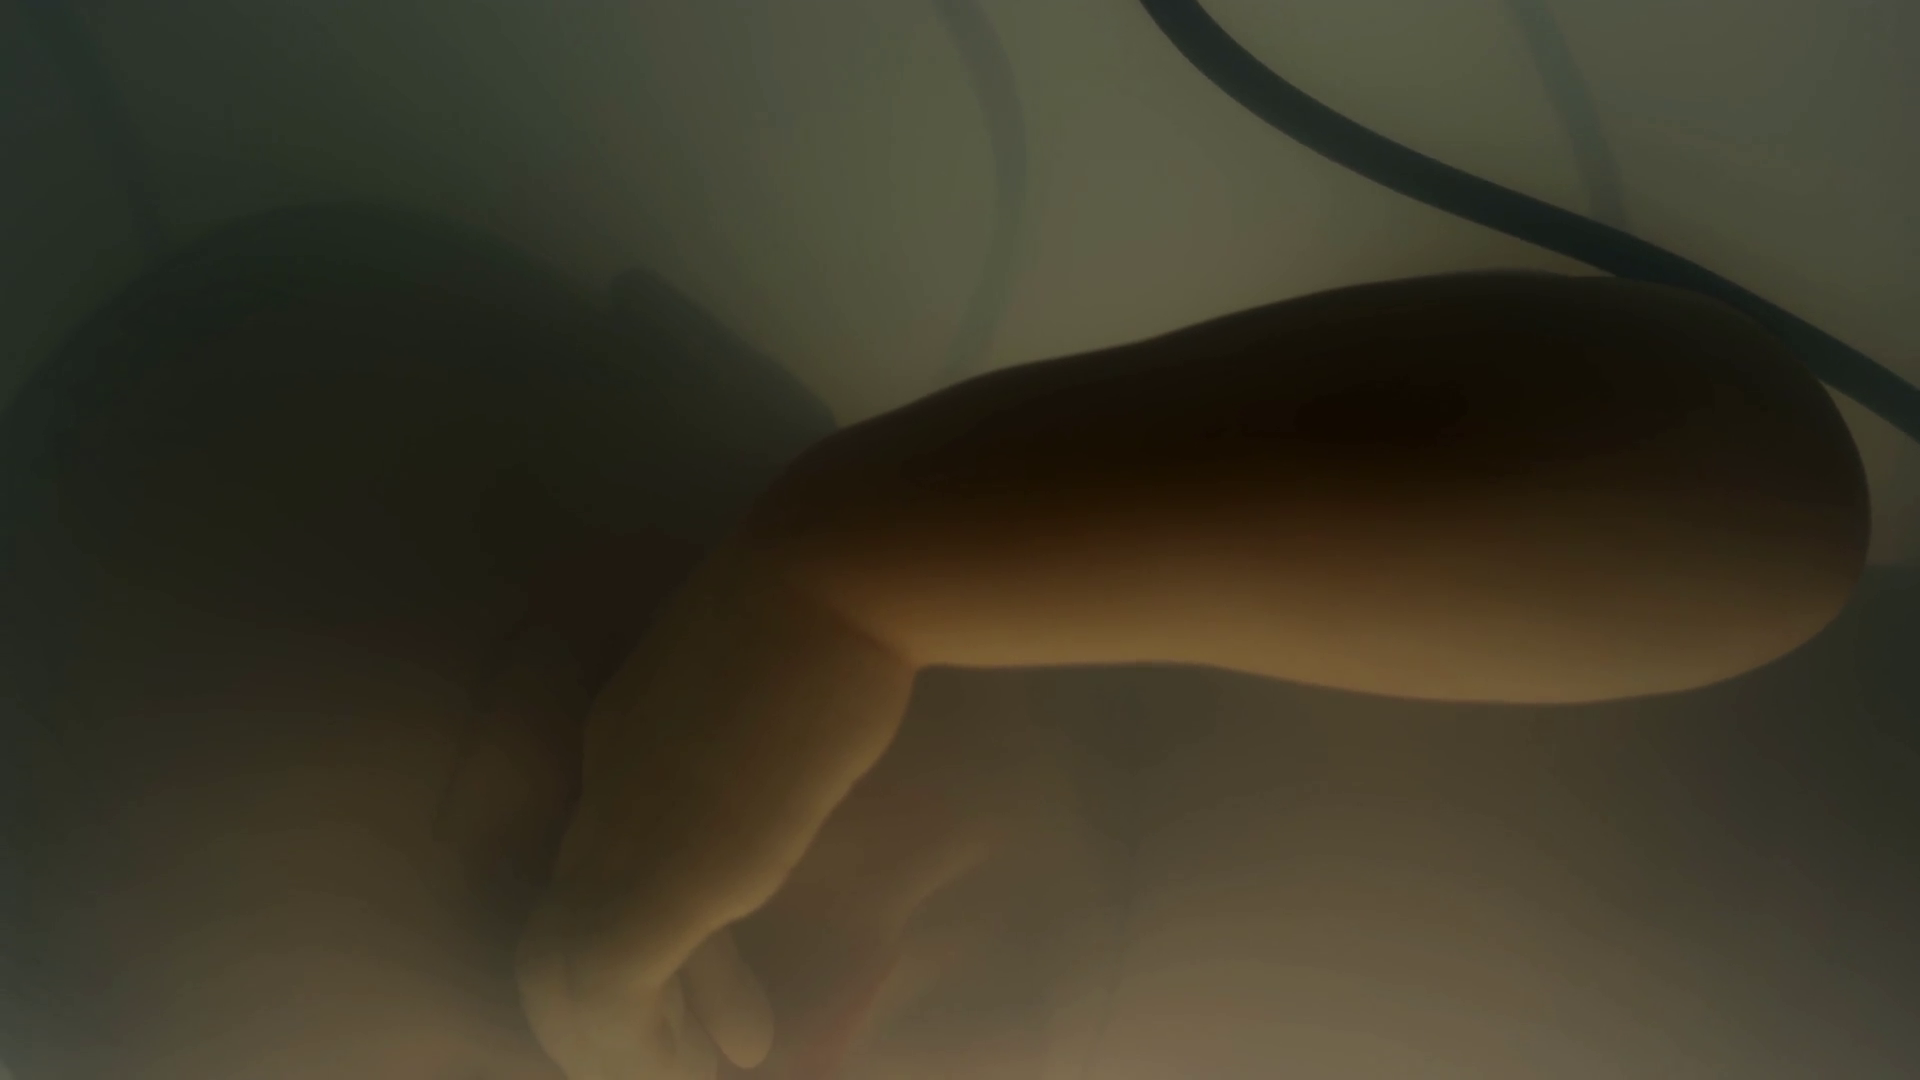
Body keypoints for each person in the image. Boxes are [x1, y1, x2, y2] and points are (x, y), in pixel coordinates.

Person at [0, 204, 1866, 1080]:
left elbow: (1754, 500)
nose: (758, 1022)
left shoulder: (1308, 671)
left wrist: (864, 584)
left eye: (635, 789)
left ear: (739, 411)